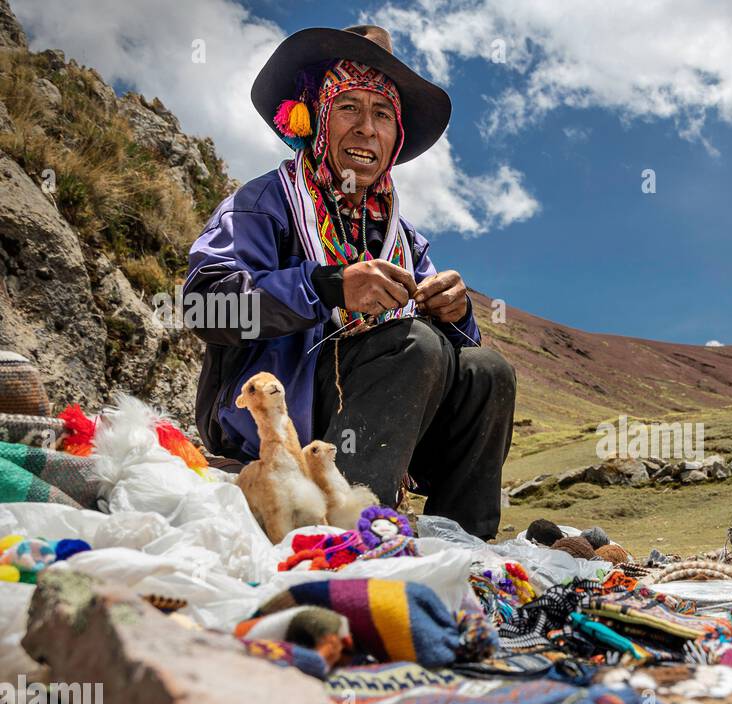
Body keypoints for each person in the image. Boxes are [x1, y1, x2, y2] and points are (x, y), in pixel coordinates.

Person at [184, 24, 515, 540]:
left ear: (395, 137)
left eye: (382, 114)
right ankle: (350, 533)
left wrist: (458, 315)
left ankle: (461, 541)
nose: (367, 128)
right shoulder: (263, 204)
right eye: (348, 108)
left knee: (487, 370)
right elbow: (205, 309)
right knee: (412, 343)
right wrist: (327, 285)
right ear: (315, 120)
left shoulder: (404, 239)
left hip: (384, 415)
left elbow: (454, 357)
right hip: (278, 417)